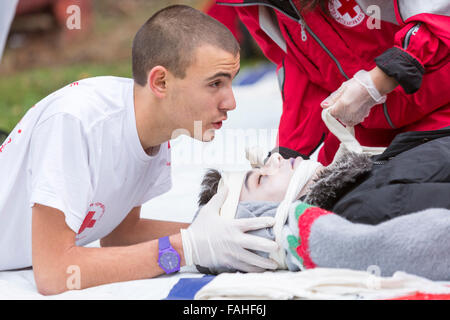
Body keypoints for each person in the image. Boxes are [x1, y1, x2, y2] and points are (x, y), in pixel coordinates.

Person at [0, 5, 279, 295]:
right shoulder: (76, 123)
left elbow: (122, 234)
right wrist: (187, 248)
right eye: (215, 83)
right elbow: (55, 273)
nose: (231, 102)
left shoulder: (153, 129)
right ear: (161, 82)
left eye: (229, 83)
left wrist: (228, 233)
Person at [215, 0, 450, 165]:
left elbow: (439, 15)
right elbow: (300, 68)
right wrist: (287, 155)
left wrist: (379, 79)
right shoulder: (246, 4)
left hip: (440, 106)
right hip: (367, 129)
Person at [194, 128, 450, 279]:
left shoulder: (362, 177)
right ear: (265, 217)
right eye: (261, 178)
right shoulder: (360, 209)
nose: (277, 158)